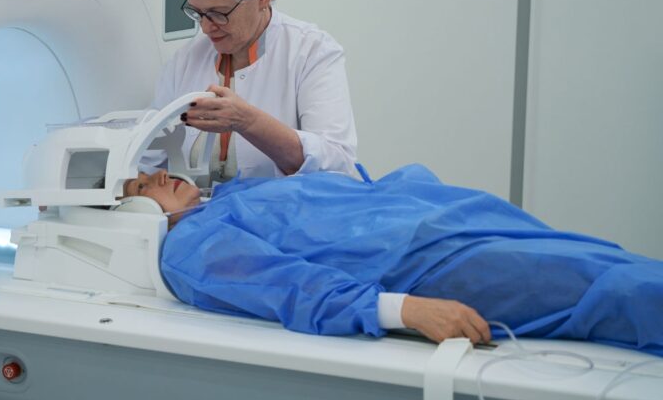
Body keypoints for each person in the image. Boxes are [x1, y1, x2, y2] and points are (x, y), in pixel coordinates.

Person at [120, 168, 663, 355]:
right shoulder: (190, 247)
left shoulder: (227, 196)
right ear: (130, 215)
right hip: (423, 263)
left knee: (600, 257)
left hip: (439, 218)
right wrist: (407, 310)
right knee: (609, 289)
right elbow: (294, 288)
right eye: (143, 185)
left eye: (152, 169)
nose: (159, 177)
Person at [154, 0, 357, 182]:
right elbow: (150, 163)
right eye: (197, 12)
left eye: (219, 13)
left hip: (284, 216)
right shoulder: (184, 61)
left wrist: (247, 121)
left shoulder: (313, 52)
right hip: (202, 218)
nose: (205, 28)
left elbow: (338, 165)